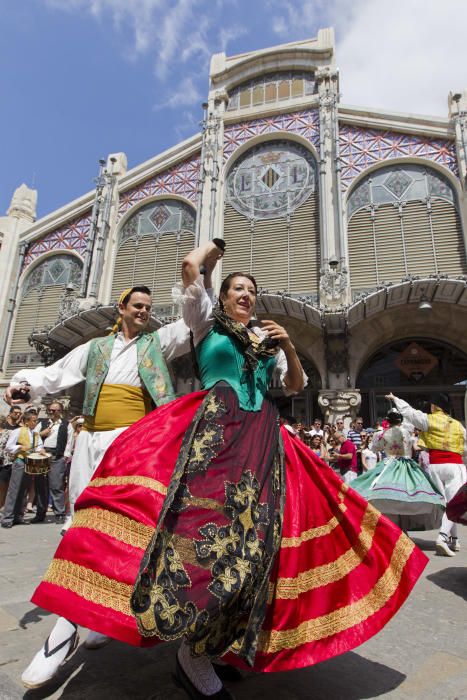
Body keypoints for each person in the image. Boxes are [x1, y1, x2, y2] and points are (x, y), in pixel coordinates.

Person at [23, 242, 427, 697]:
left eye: (252, 291)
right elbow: (190, 267)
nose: (246, 295)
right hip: (210, 435)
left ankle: (216, 647)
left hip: (260, 441)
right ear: (224, 295)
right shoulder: (204, 323)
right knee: (177, 526)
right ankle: (92, 625)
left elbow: (294, 385)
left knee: (257, 545)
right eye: (238, 288)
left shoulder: (266, 340)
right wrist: (213, 250)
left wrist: (290, 346)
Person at [387, 392, 467, 556]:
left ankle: (454, 539)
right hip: (455, 465)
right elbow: (465, 447)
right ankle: (443, 537)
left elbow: (408, 411)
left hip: (435, 465)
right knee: (454, 503)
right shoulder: (459, 425)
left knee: (445, 503)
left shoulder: (428, 419)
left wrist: (395, 399)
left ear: (435, 405)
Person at [351, 408, 445, 532]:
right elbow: (413, 446)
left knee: (386, 496)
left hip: (388, 465)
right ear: (400, 420)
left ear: (388, 421)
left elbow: (375, 449)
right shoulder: (406, 431)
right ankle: (402, 529)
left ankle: (391, 529)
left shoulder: (380, 434)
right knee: (406, 496)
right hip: (407, 466)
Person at [1, 408, 46, 528]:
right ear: (26, 421)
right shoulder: (18, 431)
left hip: (30, 463)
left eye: (36, 421)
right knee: (14, 489)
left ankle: (18, 516)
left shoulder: (36, 434)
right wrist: (20, 448)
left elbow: (39, 446)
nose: (35, 423)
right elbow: (8, 447)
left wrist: (41, 451)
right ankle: (7, 518)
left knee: (24, 490)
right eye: (33, 421)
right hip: (20, 461)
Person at [34, 401, 73, 525]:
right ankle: (40, 513)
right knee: (40, 486)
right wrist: (41, 436)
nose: (51, 412)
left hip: (57, 456)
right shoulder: (42, 423)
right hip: (42, 456)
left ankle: (59, 513)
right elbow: (33, 436)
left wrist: (65, 456)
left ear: (60, 411)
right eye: (50, 410)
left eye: (54, 410)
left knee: (56, 486)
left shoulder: (67, 425)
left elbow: (70, 441)